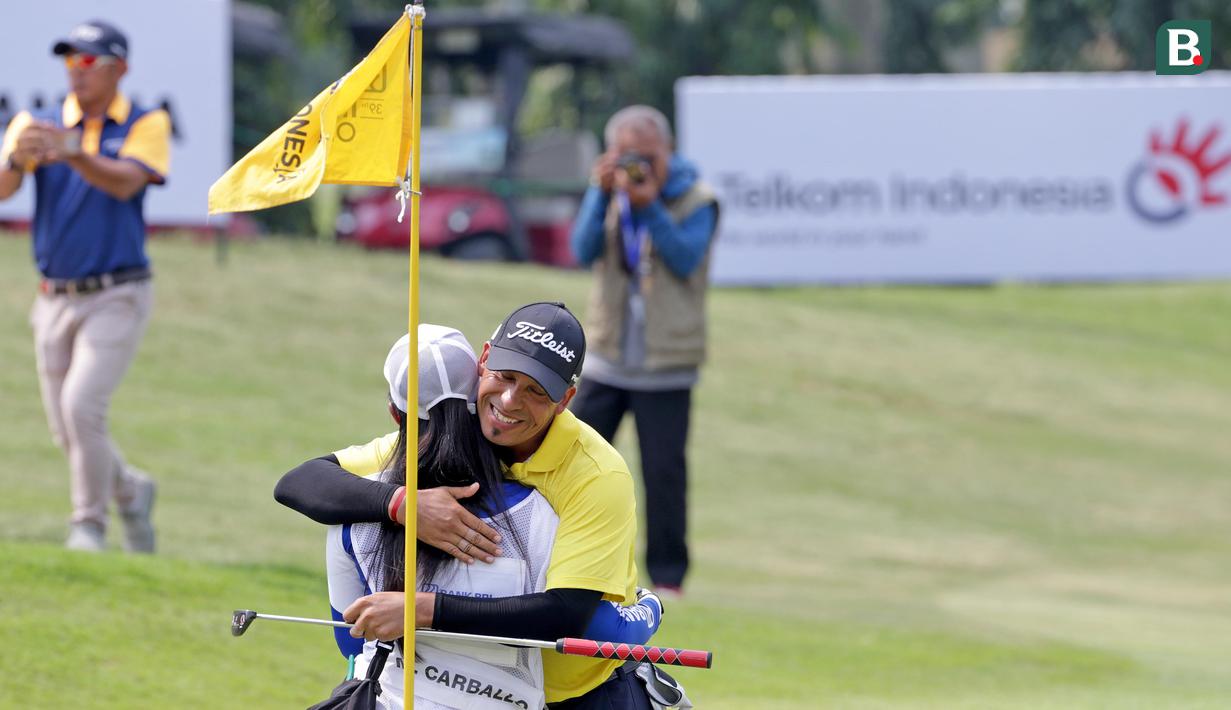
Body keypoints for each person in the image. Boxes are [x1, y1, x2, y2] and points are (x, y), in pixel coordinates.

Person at [277, 303, 662, 708]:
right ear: (483, 360)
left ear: (565, 399)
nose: (511, 400)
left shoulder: (598, 474)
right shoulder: (457, 431)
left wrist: (420, 609)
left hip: (577, 696)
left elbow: (566, 615)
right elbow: (301, 481)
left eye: (536, 391)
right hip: (462, 692)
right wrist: (404, 504)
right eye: (505, 376)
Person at [0, 20, 171, 552]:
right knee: (67, 430)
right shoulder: (37, 122)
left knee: (81, 408)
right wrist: (14, 158)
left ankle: (87, 526)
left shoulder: (147, 122)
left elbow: (126, 182)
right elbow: (3, 190)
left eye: (88, 61)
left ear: (120, 68)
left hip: (117, 291)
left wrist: (71, 152)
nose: (76, 71)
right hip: (53, 296)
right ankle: (130, 490)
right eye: (70, 61)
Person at [568, 105, 720, 595]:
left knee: (663, 473)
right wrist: (599, 193)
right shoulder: (609, 193)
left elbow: (683, 256)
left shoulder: (699, 199)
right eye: (628, 155)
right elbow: (582, 249)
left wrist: (650, 205)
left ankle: (669, 579)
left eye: (649, 156)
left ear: (668, 151)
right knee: (574, 458)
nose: (640, 166)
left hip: (666, 362)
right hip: (609, 356)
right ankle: (568, 558)